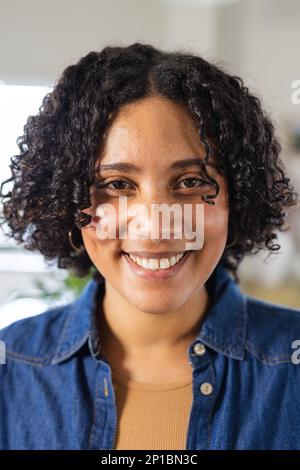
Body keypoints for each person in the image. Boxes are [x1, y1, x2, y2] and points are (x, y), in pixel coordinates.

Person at [0, 42, 299, 450]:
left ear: (239, 198)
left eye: (192, 181)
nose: (156, 228)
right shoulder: (9, 368)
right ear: (68, 204)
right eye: (117, 185)